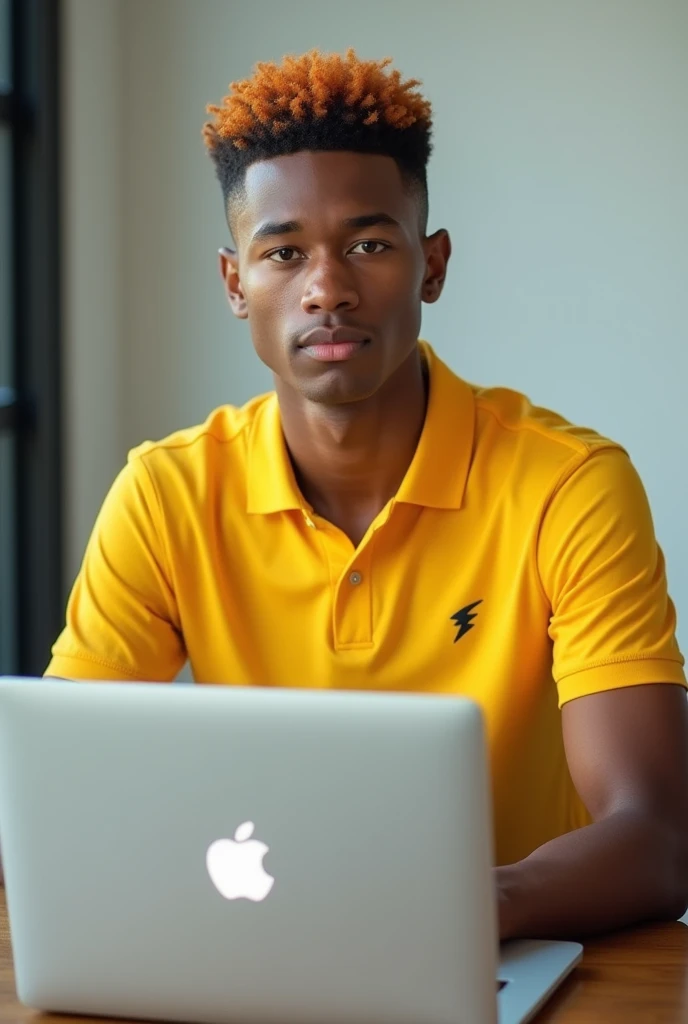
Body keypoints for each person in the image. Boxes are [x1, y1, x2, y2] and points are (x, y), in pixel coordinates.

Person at [44, 49, 688, 940]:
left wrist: (454, 909)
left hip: (511, 958)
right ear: (236, 284)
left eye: (369, 245)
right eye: (283, 252)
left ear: (433, 266)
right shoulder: (167, 493)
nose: (328, 289)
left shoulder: (567, 487)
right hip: (252, 946)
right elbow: (64, 790)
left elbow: (654, 836)